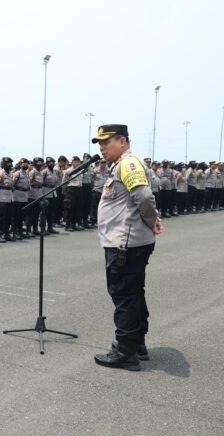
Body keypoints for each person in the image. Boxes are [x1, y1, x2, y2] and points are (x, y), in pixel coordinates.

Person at [92, 124, 163, 371]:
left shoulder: (128, 164)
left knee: (124, 295)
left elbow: (143, 197)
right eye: (99, 143)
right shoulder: (121, 164)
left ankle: (125, 351)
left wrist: (151, 220)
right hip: (128, 242)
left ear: (122, 141)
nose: (101, 147)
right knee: (133, 293)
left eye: (106, 142)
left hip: (125, 243)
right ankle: (137, 344)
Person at [0, 157, 14, 242]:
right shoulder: (1, 173)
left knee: (8, 217)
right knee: (0, 218)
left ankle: (6, 233)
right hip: (2, 198)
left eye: (10, 163)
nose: (10, 165)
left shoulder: (10, 173)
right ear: (4, 164)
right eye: (8, 163)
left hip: (9, 198)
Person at [63, 156, 83, 231]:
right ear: (72, 162)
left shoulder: (80, 170)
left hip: (79, 189)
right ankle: (68, 225)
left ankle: (74, 224)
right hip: (71, 189)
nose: (76, 163)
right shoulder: (68, 171)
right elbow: (64, 181)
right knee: (69, 208)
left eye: (77, 162)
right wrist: (64, 191)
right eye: (74, 161)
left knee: (77, 208)